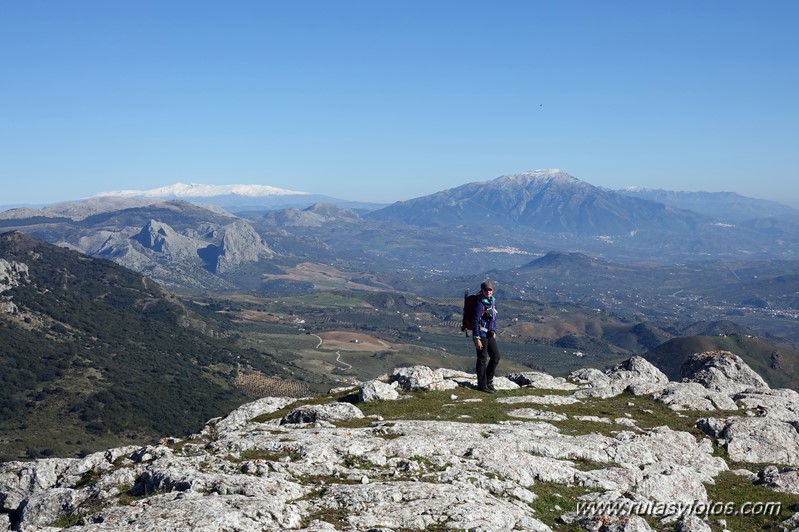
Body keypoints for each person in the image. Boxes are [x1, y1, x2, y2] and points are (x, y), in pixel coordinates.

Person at [471, 280, 500, 393]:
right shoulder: (480, 303)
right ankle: (482, 385)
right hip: (481, 334)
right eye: (486, 290)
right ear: (482, 290)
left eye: (490, 290)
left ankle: (488, 381)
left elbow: (493, 318)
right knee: (482, 359)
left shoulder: (492, 302)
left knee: (496, 357)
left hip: (490, 333)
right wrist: (476, 338)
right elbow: (475, 321)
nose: (488, 292)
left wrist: (494, 330)